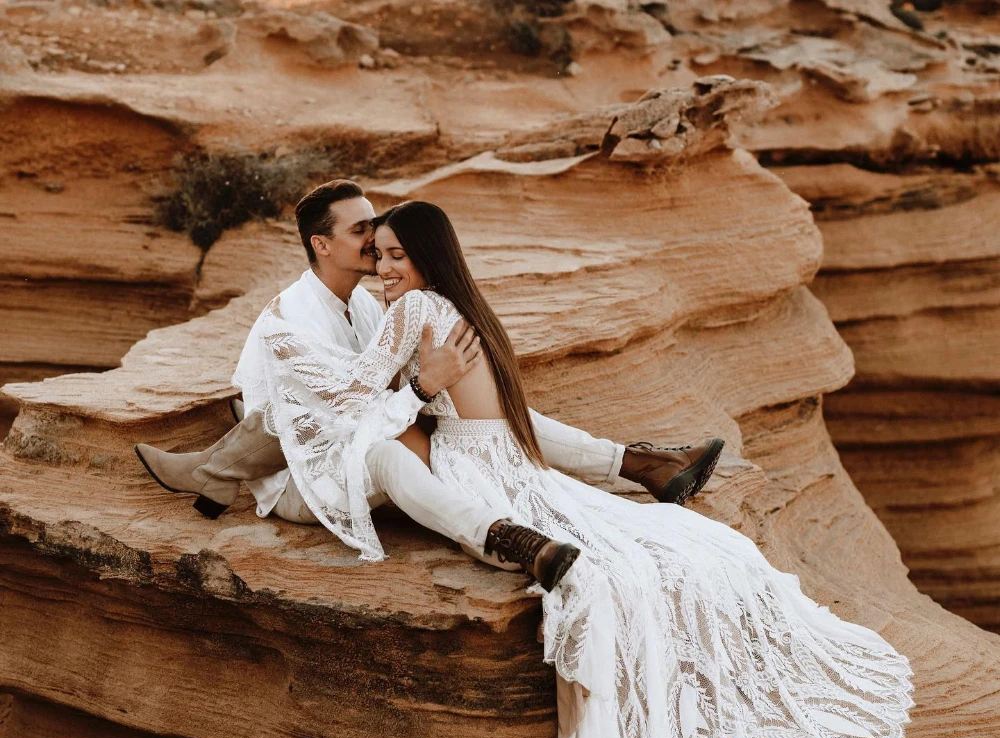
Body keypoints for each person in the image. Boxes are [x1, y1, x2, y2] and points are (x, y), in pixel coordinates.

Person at [253, 199, 913, 738]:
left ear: (427, 259)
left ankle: (537, 528)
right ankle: (638, 469)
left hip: (479, 469)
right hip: (514, 458)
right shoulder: (460, 308)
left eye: (398, 255)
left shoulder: (407, 316)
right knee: (650, 544)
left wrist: (326, 378)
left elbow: (352, 398)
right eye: (380, 255)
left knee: (593, 557)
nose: (385, 267)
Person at [135, 181, 724, 589]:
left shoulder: (369, 306)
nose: (375, 244)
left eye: (382, 236)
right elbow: (334, 412)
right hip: (303, 471)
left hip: (359, 437)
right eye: (364, 231)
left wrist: (428, 391)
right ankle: (508, 540)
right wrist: (420, 388)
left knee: (481, 421)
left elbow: (376, 394)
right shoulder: (288, 319)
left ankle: (641, 465)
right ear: (322, 244)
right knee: (396, 451)